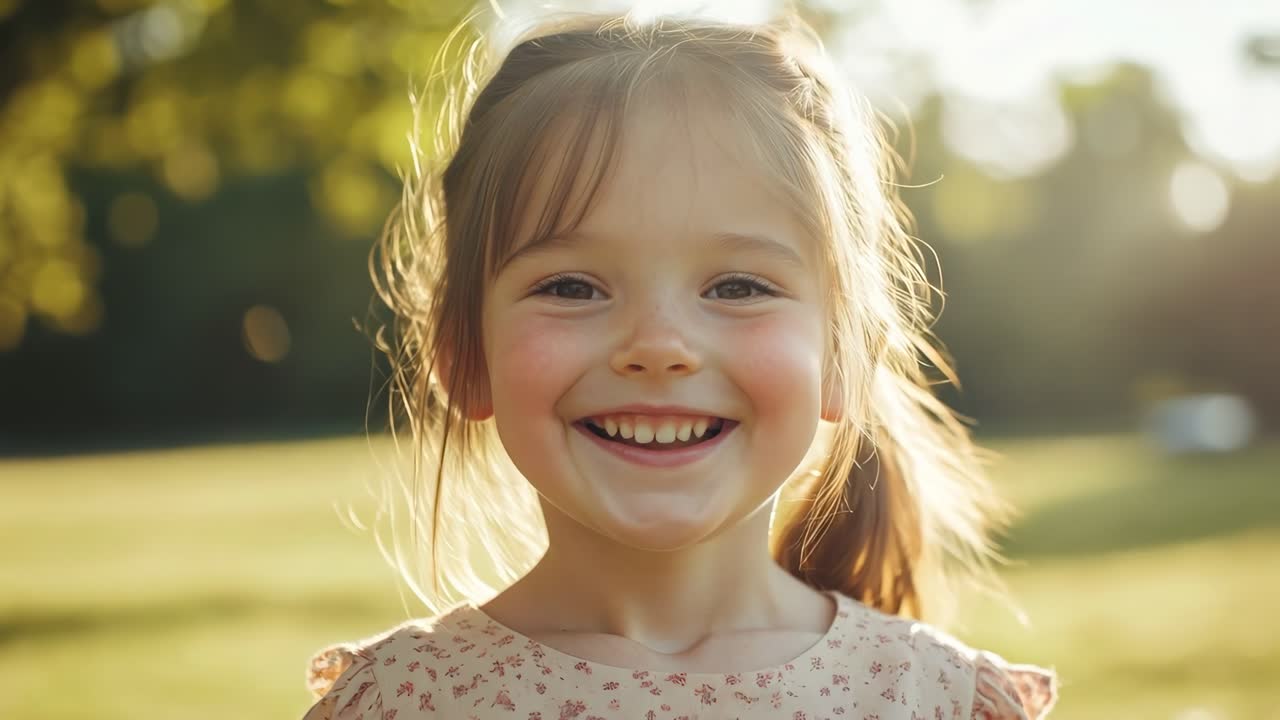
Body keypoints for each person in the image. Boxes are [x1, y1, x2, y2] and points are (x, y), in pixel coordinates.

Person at [301, 9, 1058, 719]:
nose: (659, 346)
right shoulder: (404, 701)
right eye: (571, 286)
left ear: (844, 354)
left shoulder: (935, 701)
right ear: (463, 353)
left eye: (737, 286)